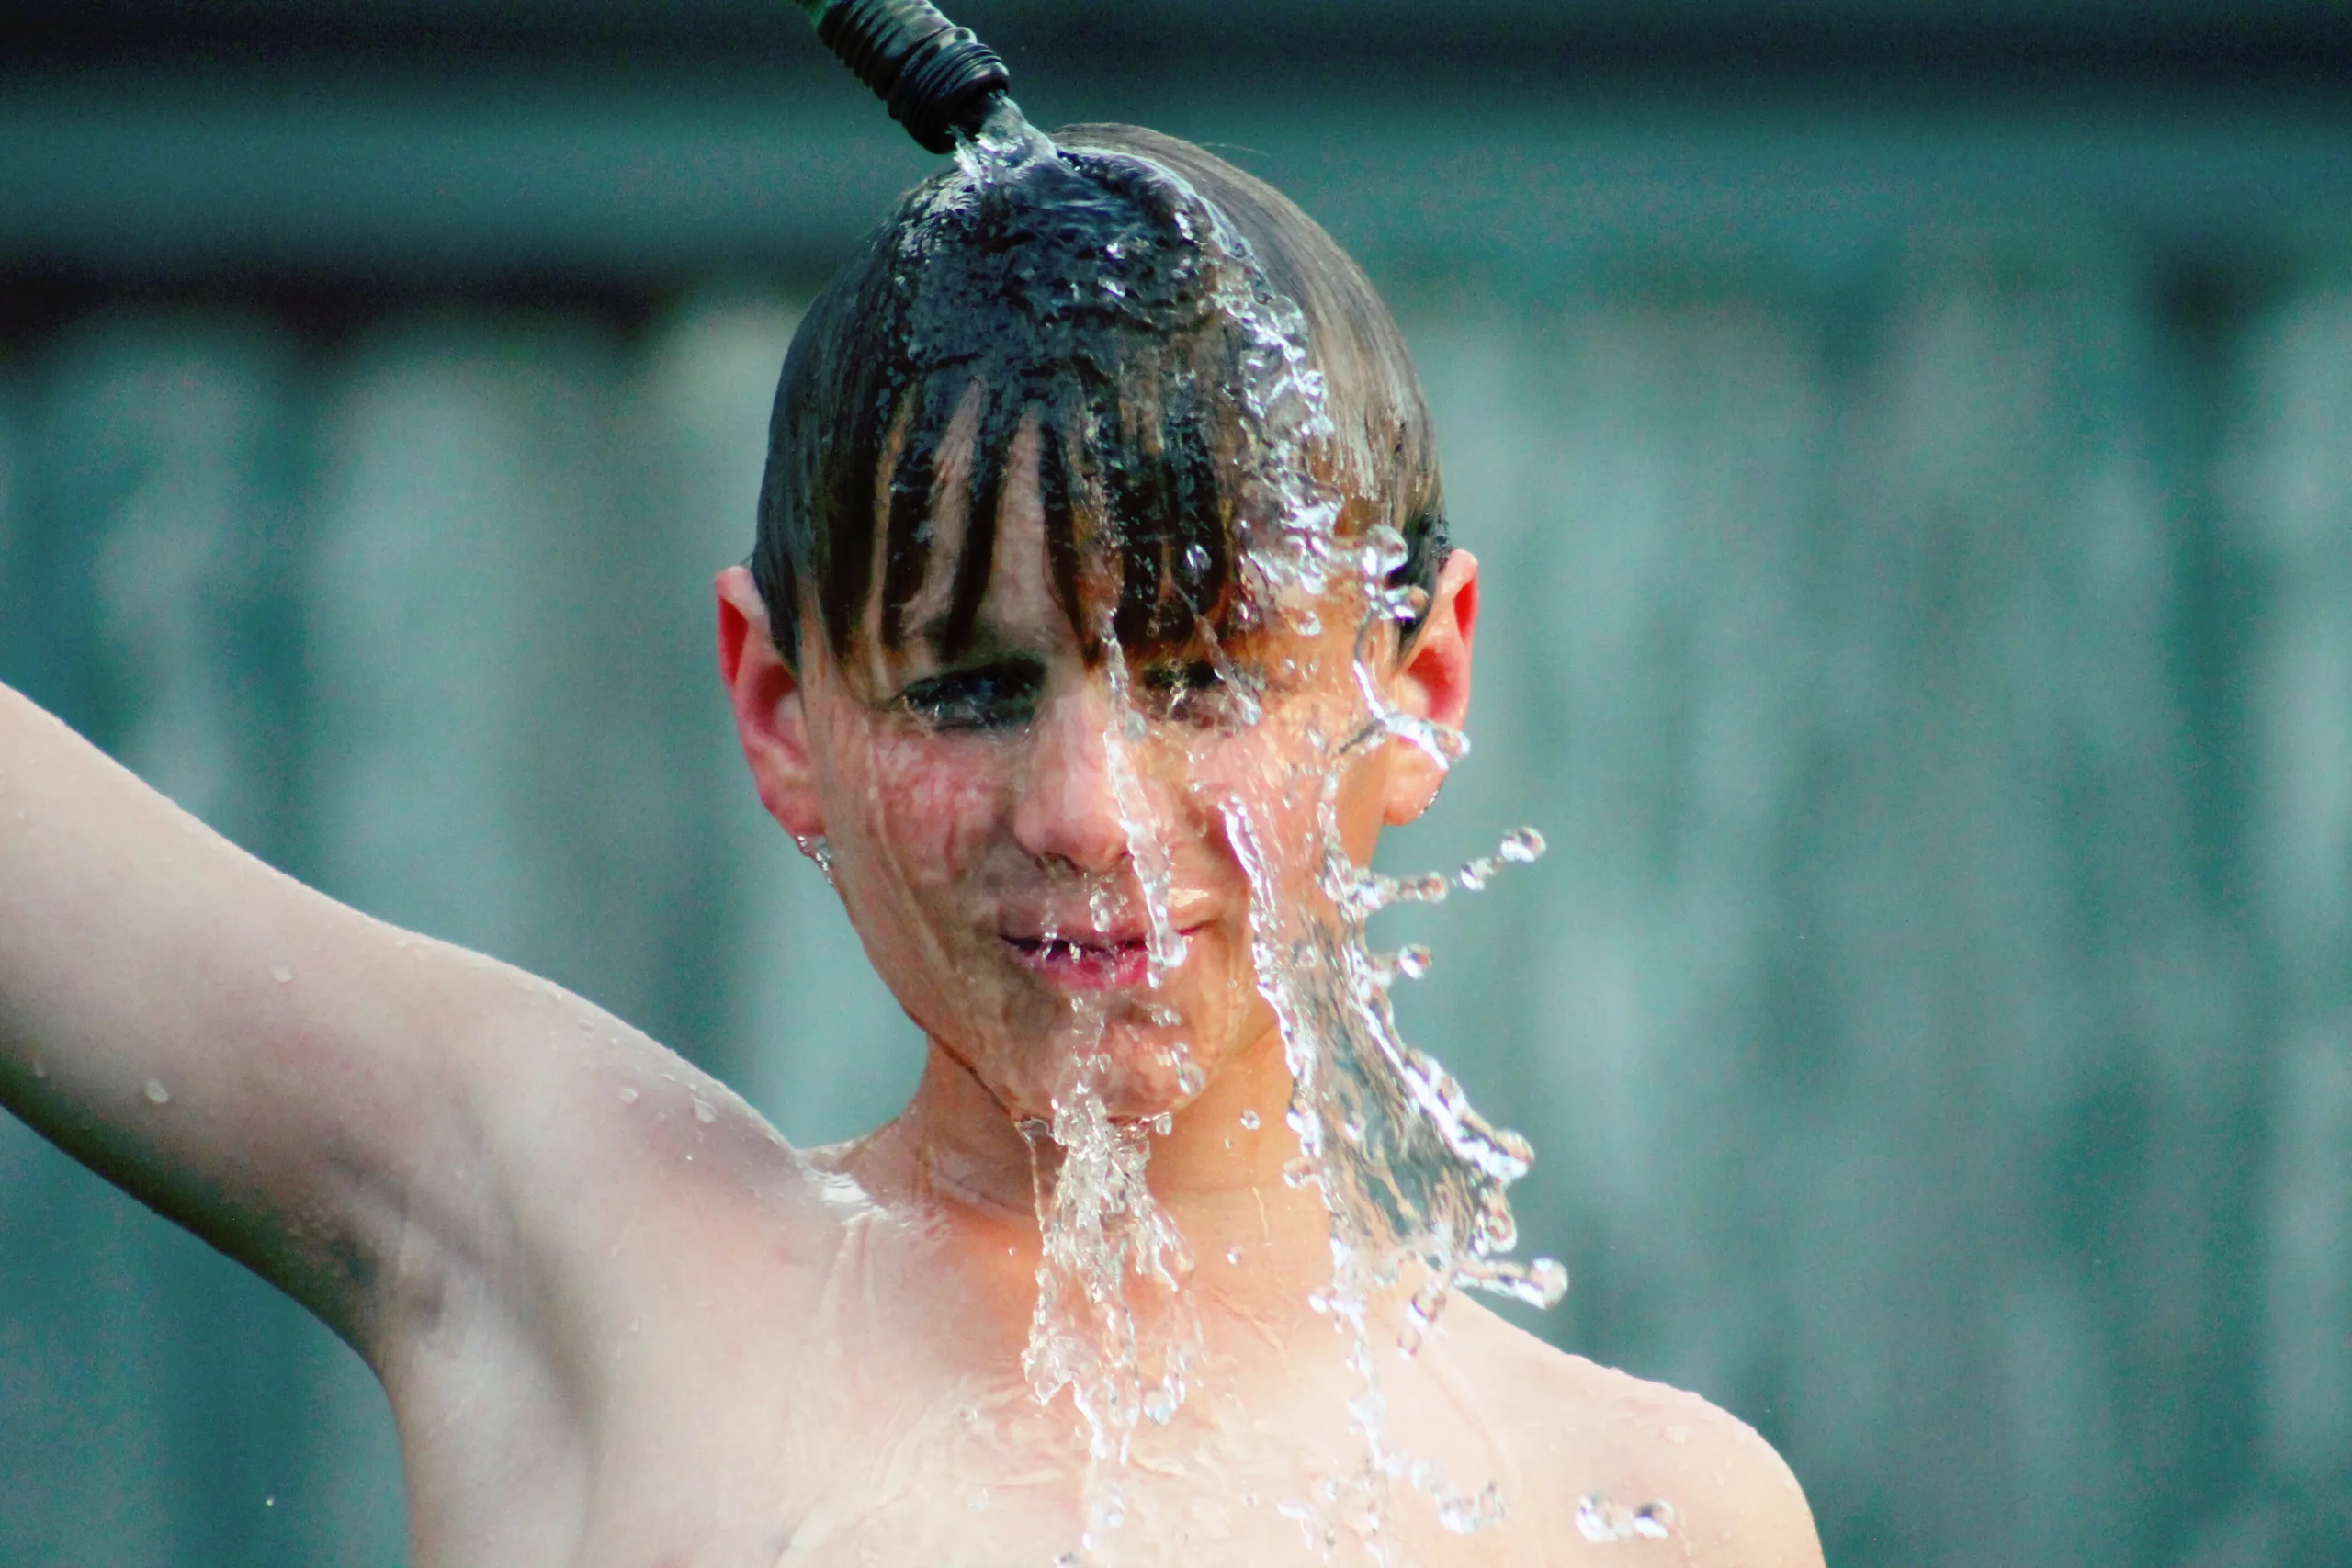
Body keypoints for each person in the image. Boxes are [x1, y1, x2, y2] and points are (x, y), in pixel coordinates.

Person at [0, 122, 1825, 1567]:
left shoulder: (1649, 1512)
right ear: (782, 714)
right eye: (969, 687)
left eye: (1193, 676)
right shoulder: (573, 1246)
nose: (1088, 813)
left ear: (1413, 686)